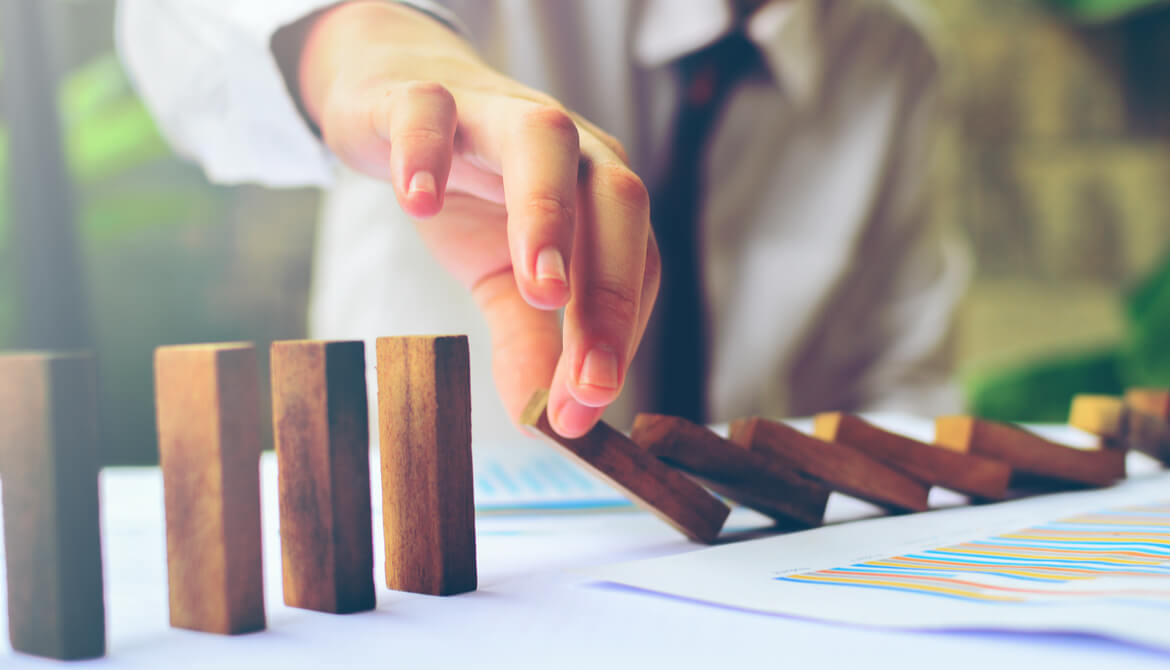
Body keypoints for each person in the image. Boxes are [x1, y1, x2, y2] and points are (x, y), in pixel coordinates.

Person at [116, 0, 969, 441]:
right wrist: (370, 45)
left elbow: (901, 381)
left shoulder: (894, 57)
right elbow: (170, 23)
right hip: (430, 584)